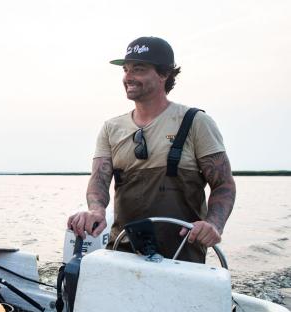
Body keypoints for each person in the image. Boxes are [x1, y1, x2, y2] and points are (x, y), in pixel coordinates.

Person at [67, 37, 236, 263]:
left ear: (164, 74)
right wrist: (96, 209)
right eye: (126, 69)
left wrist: (214, 225)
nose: (128, 76)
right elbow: (99, 180)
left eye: (139, 69)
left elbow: (224, 185)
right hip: (123, 250)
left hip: (183, 255)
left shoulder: (196, 122)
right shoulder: (111, 128)